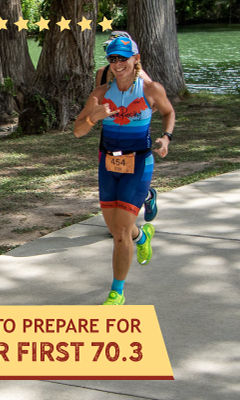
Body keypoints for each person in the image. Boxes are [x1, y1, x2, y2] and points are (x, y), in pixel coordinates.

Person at [74, 36, 175, 305]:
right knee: (117, 228)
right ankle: (142, 236)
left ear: (135, 59)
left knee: (119, 233)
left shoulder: (151, 89)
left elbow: (168, 112)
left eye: (123, 58)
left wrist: (166, 137)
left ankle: (116, 292)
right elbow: (77, 131)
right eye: (112, 59)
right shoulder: (99, 94)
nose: (118, 64)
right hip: (108, 164)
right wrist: (94, 117)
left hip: (139, 163)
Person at [96, 32, 158, 223]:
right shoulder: (101, 72)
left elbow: (151, 101)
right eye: (108, 51)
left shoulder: (136, 73)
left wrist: (134, 117)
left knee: (130, 175)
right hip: (109, 135)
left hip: (133, 138)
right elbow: (99, 99)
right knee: (111, 172)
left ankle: (146, 196)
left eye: (120, 55)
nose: (115, 59)